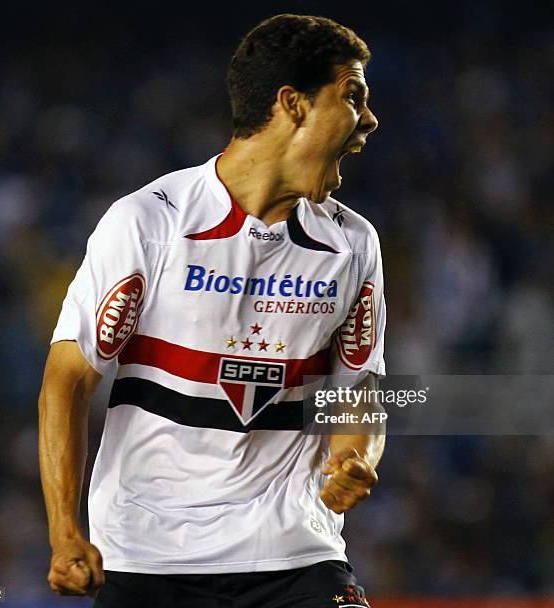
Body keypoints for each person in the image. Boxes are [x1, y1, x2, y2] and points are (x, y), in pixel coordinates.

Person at [39, 13, 386, 608]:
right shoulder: (149, 223)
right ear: (292, 103)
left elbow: (359, 387)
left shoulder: (353, 244)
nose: (370, 120)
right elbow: (67, 380)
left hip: (295, 552)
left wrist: (354, 455)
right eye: (352, 95)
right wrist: (65, 530)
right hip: (149, 556)